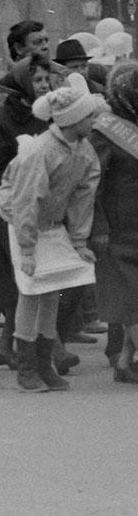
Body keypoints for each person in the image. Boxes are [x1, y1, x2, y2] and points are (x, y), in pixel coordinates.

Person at [0, 75, 104, 391]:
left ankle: (44, 364)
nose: (95, 120)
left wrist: (80, 241)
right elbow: (26, 200)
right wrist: (27, 248)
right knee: (31, 292)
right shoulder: (40, 151)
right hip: (22, 223)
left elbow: (85, 196)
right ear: (73, 120)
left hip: (53, 226)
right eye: (89, 116)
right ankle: (26, 366)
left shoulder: (84, 150)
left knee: (52, 291)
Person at [0, 54, 52, 370]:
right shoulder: (1, 123)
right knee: (15, 280)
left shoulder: (49, 116)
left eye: (46, 79)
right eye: (38, 80)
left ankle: (8, 344)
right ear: (24, 83)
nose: (45, 85)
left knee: (40, 277)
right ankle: (20, 347)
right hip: (13, 210)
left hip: (45, 207)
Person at [88, 64, 138, 384]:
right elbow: (92, 184)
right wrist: (99, 226)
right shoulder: (104, 130)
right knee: (131, 298)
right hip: (118, 228)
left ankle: (124, 360)